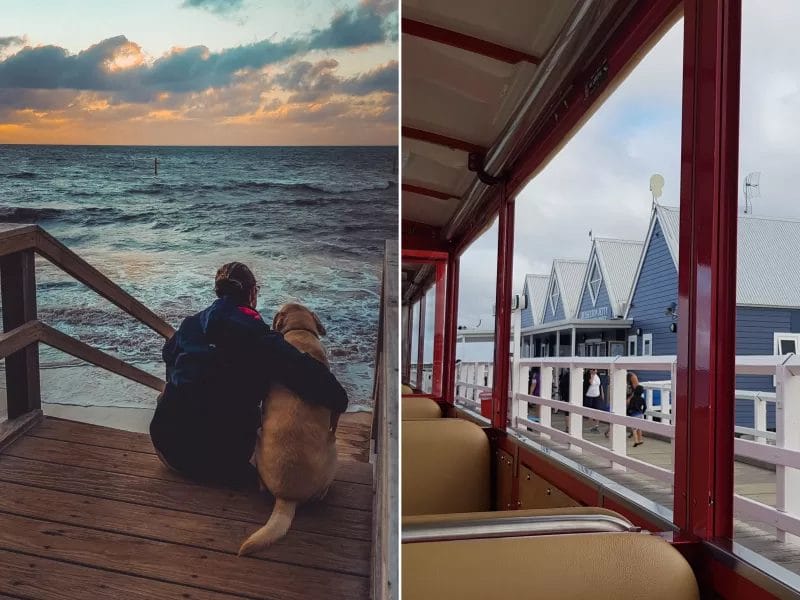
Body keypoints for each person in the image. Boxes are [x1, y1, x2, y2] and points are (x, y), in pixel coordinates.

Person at [149, 261, 349, 486]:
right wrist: (340, 399)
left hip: (167, 449)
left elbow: (168, 354)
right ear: (252, 294)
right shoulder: (259, 336)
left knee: (172, 391)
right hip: (222, 463)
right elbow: (308, 375)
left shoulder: (190, 324)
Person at [627, 372, 646, 447]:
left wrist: (629, 413)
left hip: (634, 414)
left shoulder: (633, 399)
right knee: (639, 428)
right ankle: (640, 439)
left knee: (634, 429)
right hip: (640, 413)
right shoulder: (642, 399)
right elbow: (645, 406)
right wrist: (642, 412)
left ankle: (636, 441)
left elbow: (630, 406)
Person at [584, 368, 604, 432]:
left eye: (595, 369)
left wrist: (602, 393)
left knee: (598, 410)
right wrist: (592, 375)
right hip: (589, 395)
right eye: (593, 369)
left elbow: (600, 385)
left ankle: (596, 426)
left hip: (597, 395)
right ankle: (591, 426)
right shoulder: (587, 375)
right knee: (590, 411)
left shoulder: (598, 375)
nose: (595, 371)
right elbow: (591, 382)